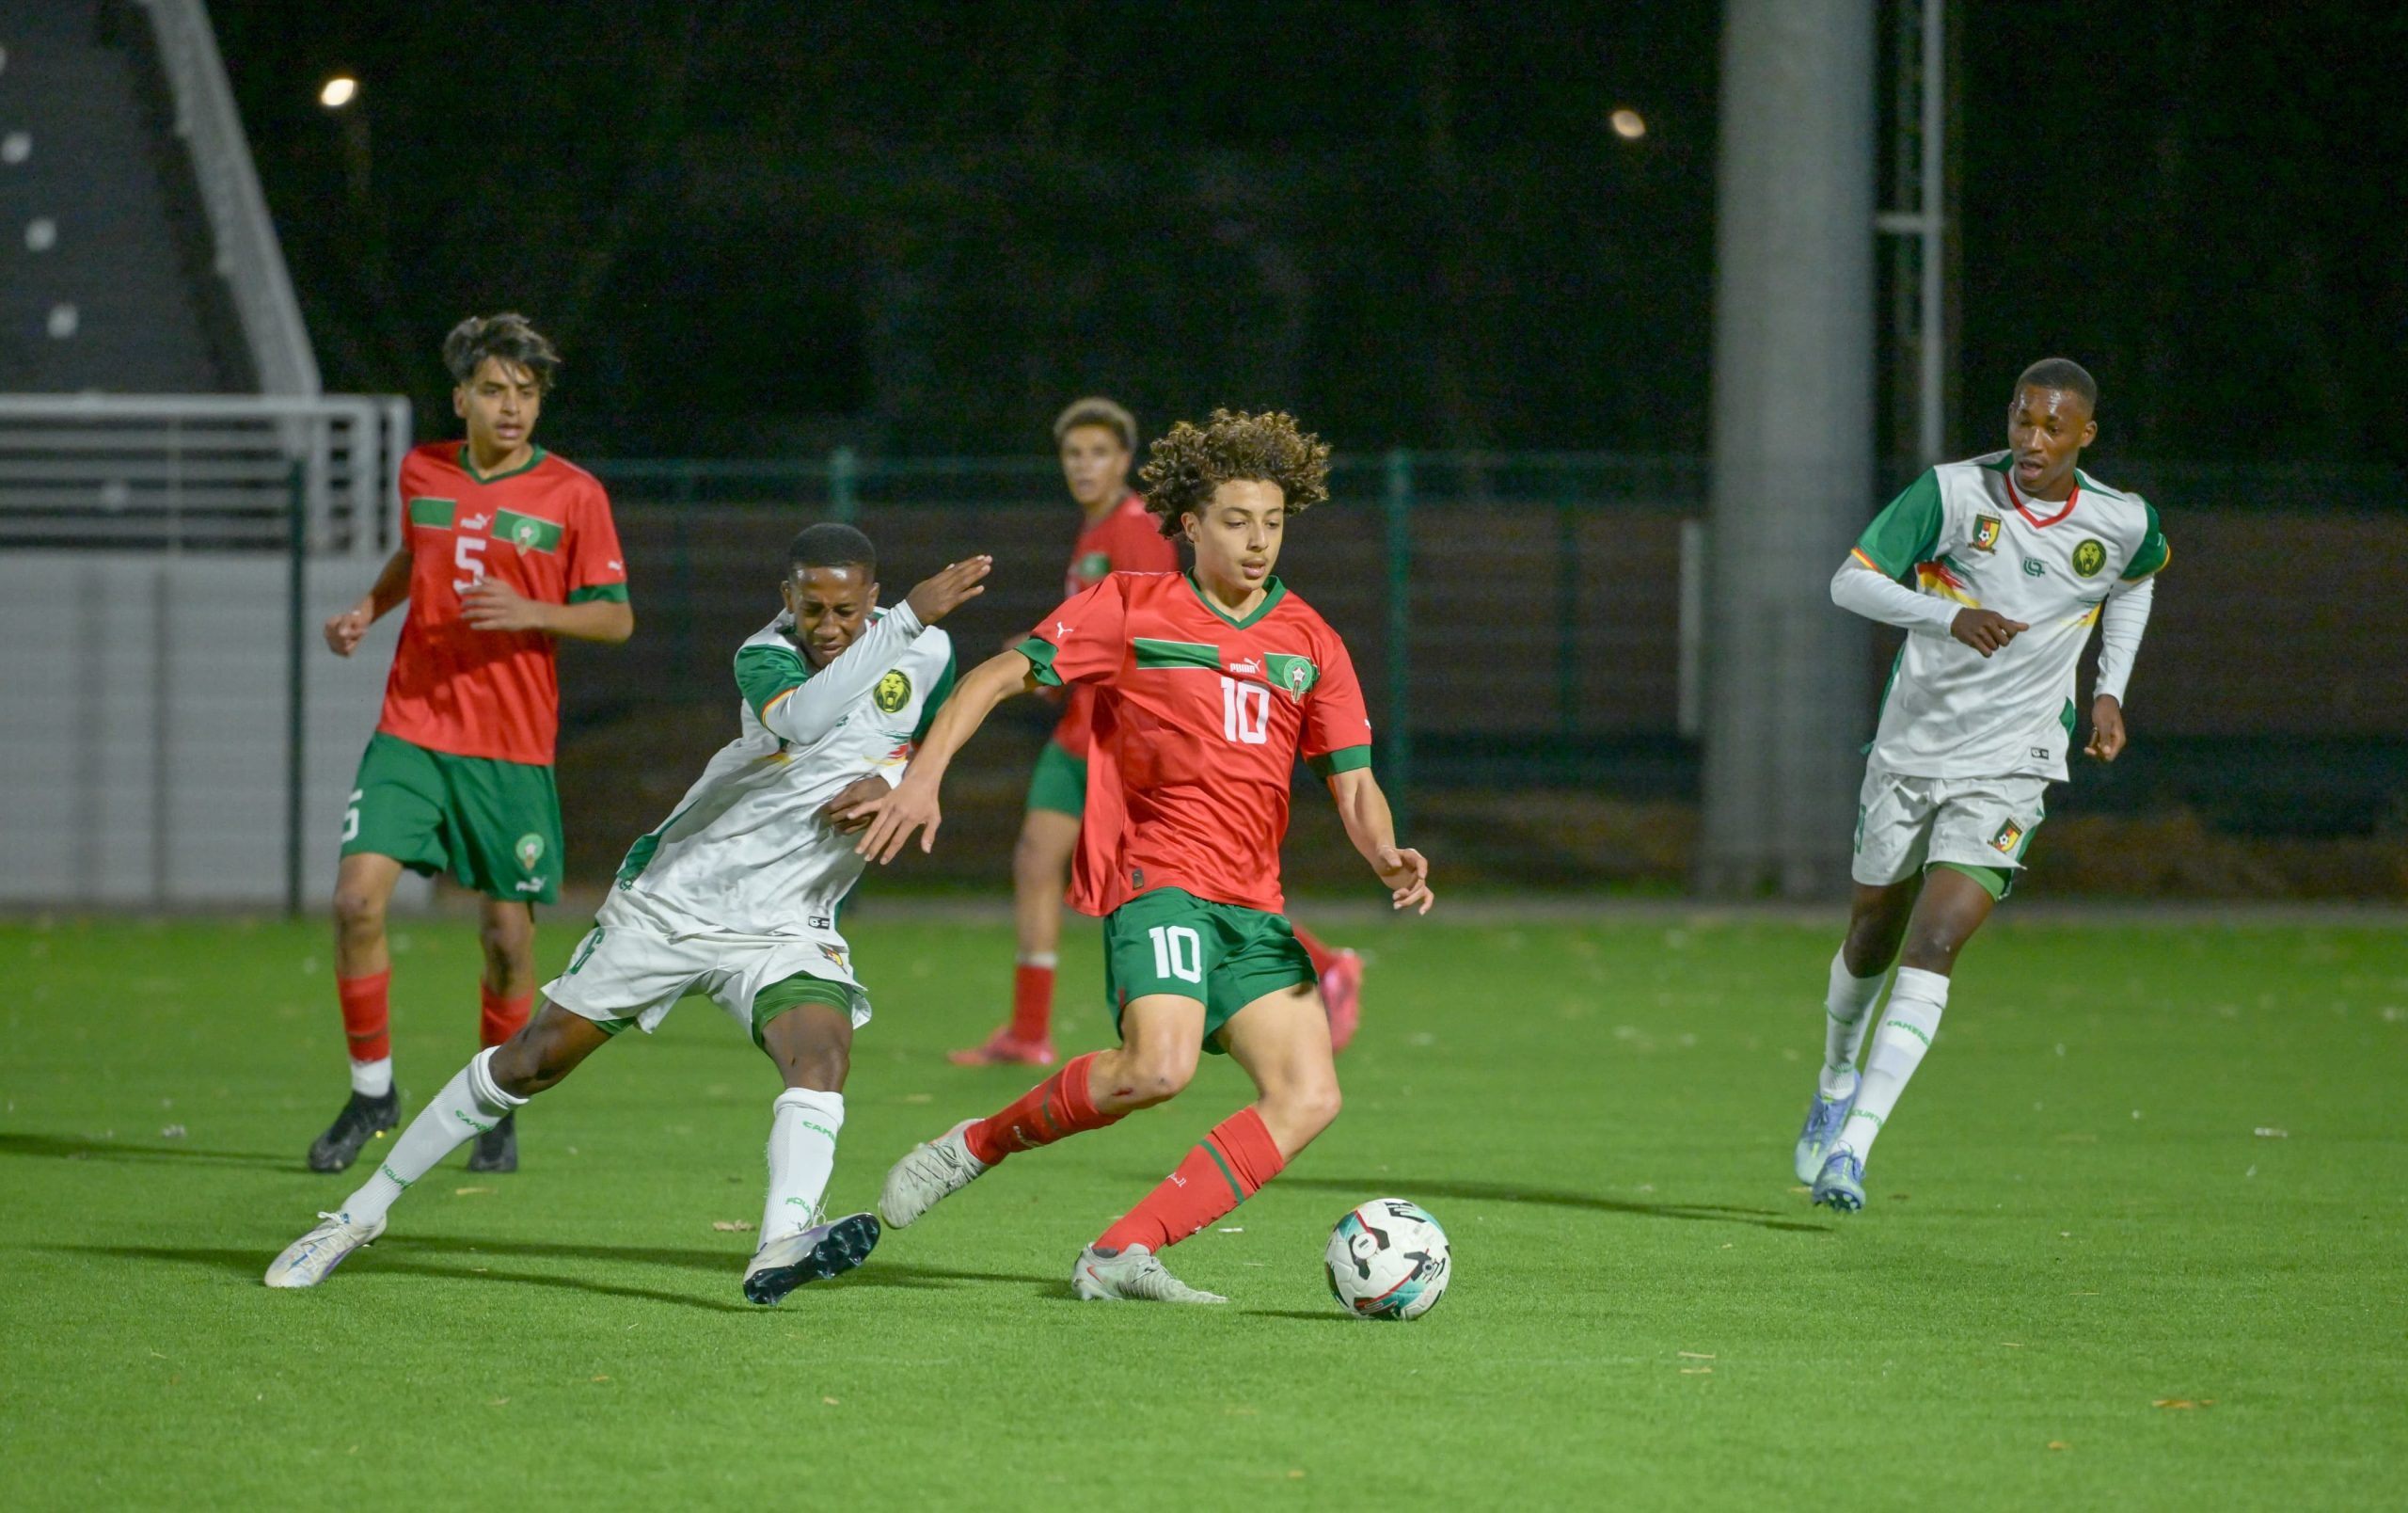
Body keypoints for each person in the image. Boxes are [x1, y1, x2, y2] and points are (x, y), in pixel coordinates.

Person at [266, 527, 990, 1300]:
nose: (828, 625)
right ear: (787, 599)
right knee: (534, 1061)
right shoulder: (766, 654)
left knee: (822, 1055)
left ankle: (779, 1243)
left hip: (788, 922)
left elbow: (920, 742)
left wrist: (902, 785)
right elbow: (805, 722)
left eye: (847, 610)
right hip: (677, 903)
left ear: (869, 598)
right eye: (812, 607)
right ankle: (355, 1216)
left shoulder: (927, 656)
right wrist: (910, 617)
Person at [858, 408, 1433, 1304]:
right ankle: (974, 1146)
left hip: (1253, 909)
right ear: (1191, 524)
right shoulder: (1131, 605)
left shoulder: (1310, 641)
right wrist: (921, 778)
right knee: (1158, 1068)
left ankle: (1122, 1251)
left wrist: (1386, 850)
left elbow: (1354, 785)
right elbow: (994, 675)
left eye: (1273, 523)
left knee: (1310, 1095)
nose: (1257, 542)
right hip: (1158, 880)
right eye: (1237, 522)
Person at [1795, 358, 2169, 1213]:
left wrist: (2109, 688)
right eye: (2021, 420)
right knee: (1873, 932)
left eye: (2051, 428)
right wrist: (1948, 614)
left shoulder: (2122, 521)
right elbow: (1847, 580)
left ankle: (1854, 1149)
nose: (2031, 441)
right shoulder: (1953, 494)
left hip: (2015, 760)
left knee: (1937, 941)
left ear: (2086, 435)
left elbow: (2136, 581)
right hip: (1912, 748)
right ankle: (1834, 1077)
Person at [951, 396, 1367, 1067]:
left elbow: (1161, 624)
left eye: (1099, 454)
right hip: (1079, 729)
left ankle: (1319, 962)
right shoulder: (1093, 530)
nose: (1084, 466)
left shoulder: (1139, 526)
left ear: (1125, 462)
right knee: (1038, 859)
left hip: (1119, 732)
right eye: (1073, 454)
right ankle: (1029, 1029)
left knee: (1194, 871)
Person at [310, 313, 632, 1178]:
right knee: (355, 903)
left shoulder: (573, 494)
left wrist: (535, 612)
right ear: (462, 398)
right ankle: (373, 1092)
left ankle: (495, 1100)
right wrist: (365, 612)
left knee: (505, 939)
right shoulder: (424, 469)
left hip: (511, 749)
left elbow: (615, 616)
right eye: (494, 390)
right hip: (413, 729)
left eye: (526, 393)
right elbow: (416, 556)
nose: (511, 407)